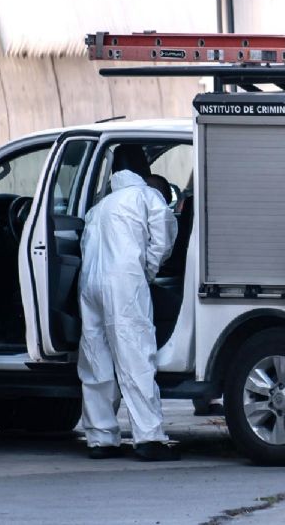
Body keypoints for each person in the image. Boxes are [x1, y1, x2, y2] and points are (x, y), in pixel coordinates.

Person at [77, 144, 180, 461]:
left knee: (96, 360)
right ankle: (148, 437)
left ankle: (101, 438)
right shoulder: (147, 197)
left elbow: (84, 245)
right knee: (134, 356)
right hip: (124, 282)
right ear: (142, 169)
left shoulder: (100, 206)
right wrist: (145, 273)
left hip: (90, 283)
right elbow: (162, 241)